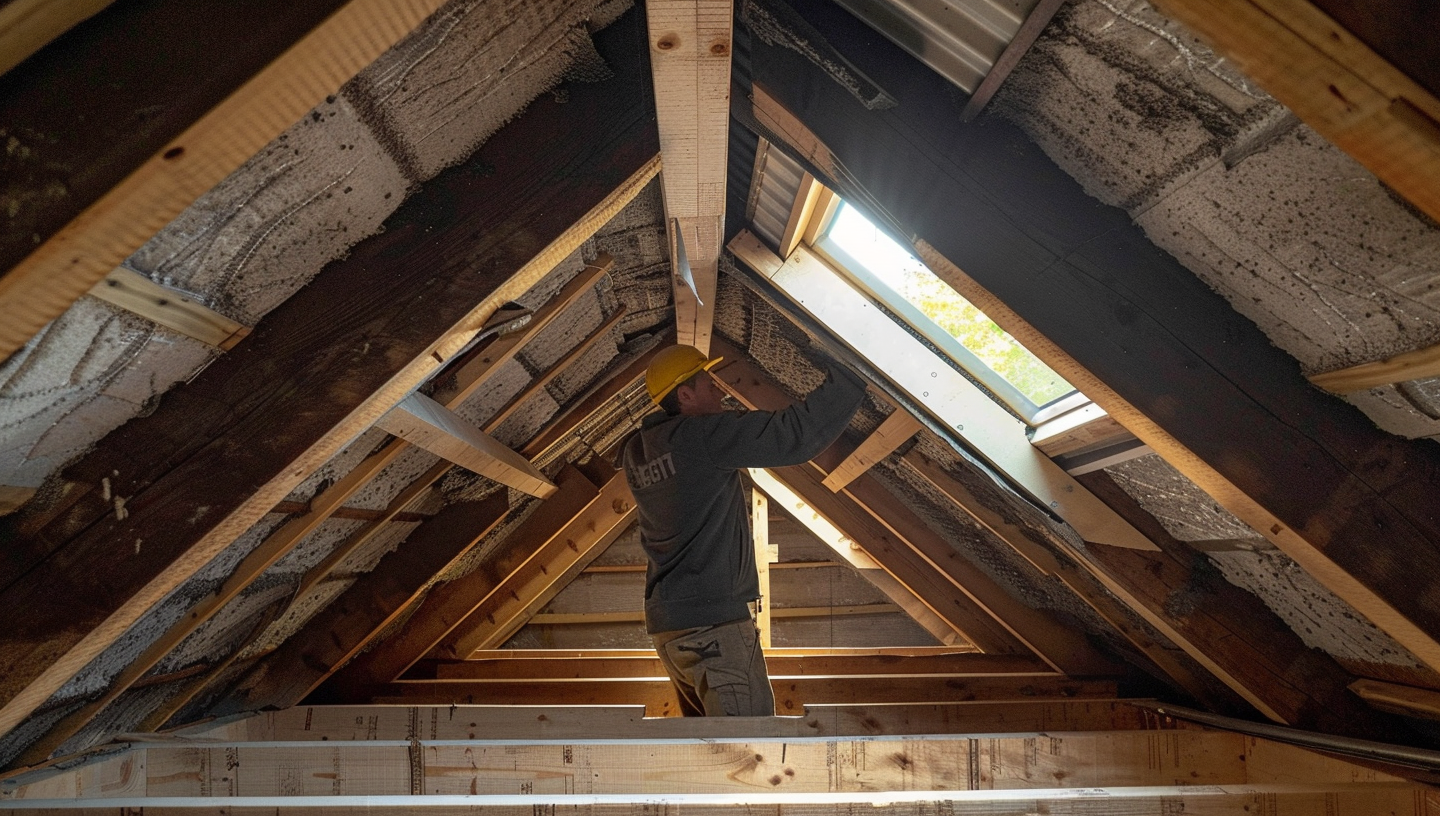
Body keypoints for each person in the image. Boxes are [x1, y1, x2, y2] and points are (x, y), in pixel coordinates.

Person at [617, 344, 865, 716]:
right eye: (708, 383)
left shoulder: (637, 450)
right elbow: (793, 437)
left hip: (669, 627)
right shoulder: (699, 437)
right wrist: (851, 378)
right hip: (712, 627)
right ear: (685, 394)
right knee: (749, 749)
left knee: (708, 750)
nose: (720, 391)